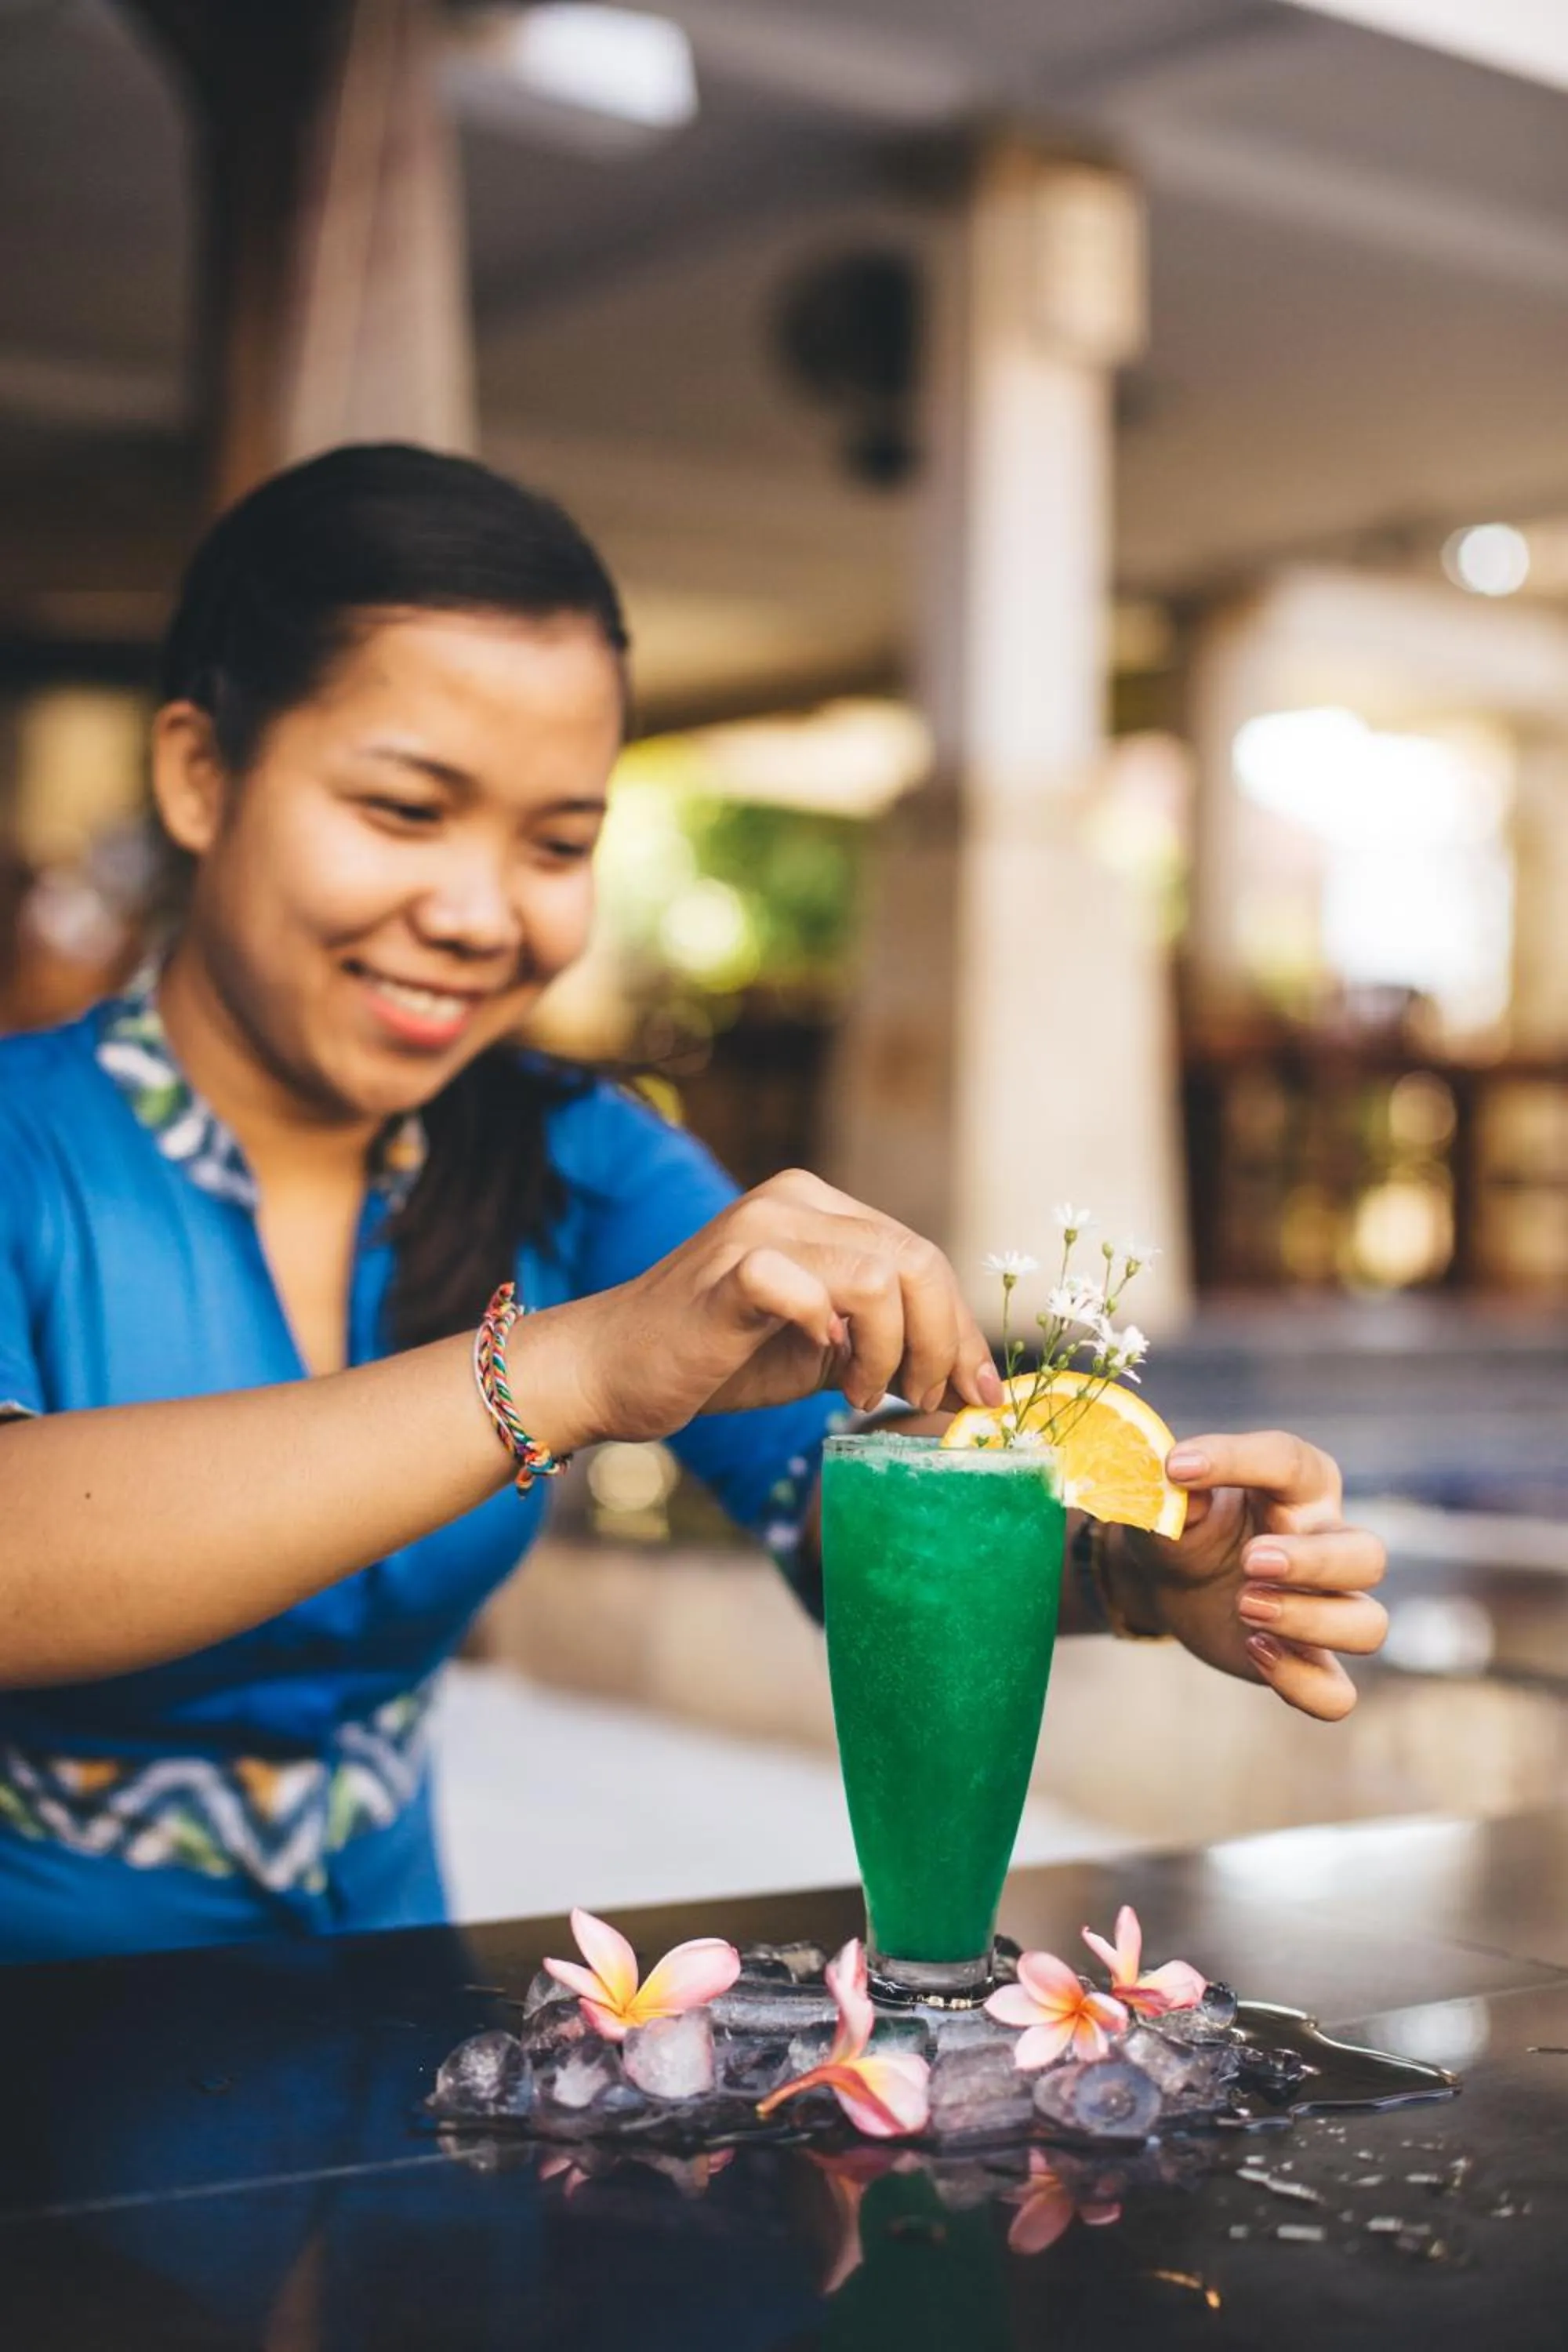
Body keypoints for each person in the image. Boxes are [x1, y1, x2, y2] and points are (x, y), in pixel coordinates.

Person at [0, 445, 1388, 1965]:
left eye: (558, 844)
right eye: (405, 810)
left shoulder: (578, 1155)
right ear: (201, 774)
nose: (478, 915)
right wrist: (570, 1368)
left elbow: (838, 1509)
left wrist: (1142, 1566)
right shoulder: (27, 1144)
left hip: (384, 2030)